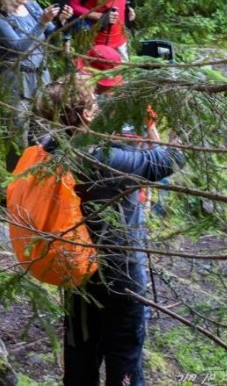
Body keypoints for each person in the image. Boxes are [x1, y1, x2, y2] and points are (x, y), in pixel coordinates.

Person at [34, 77, 185, 386]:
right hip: (120, 273)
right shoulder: (101, 157)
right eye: (94, 102)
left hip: (75, 267)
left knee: (80, 355)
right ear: (87, 115)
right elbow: (166, 162)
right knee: (125, 358)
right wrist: (170, 124)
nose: (100, 106)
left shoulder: (50, 148)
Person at [0, 0, 72, 171]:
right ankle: (15, 187)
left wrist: (61, 22)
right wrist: (42, 23)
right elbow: (18, 48)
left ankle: (38, 184)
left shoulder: (32, 7)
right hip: (15, 84)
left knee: (44, 133)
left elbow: (50, 35)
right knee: (18, 138)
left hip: (41, 78)